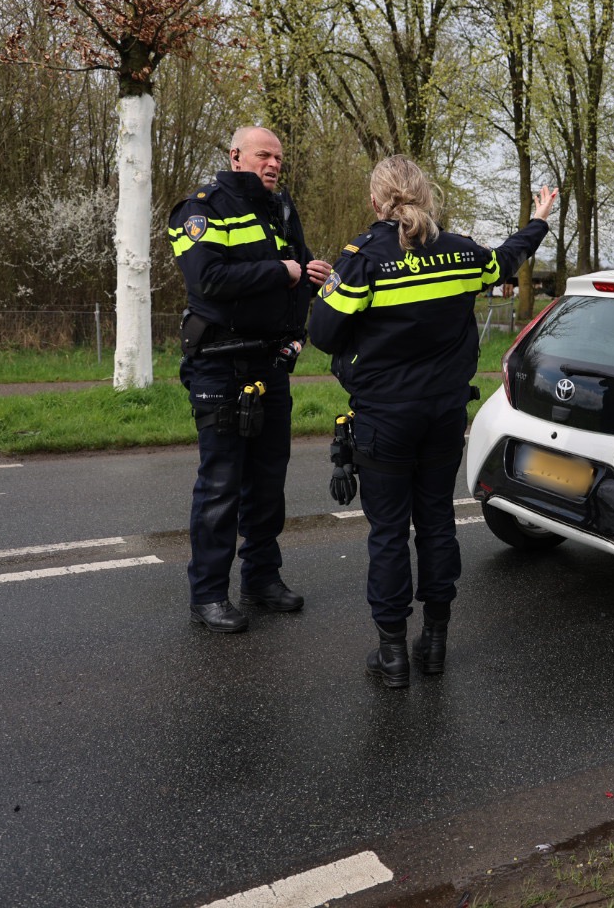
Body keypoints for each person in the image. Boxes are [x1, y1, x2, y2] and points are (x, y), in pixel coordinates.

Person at [309, 155, 555, 688]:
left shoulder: (363, 258)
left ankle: (393, 654)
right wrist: (538, 221)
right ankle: (436, 644)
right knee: (438, 523)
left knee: (389, 534)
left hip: (384, 419)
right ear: (425, 195)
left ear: (376, 200)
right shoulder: (461, 251)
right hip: (444, 415)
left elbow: (322, 333)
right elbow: (505, 260)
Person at [166, 126, 333, 633]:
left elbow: (299, 270)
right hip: (219, 364)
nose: (274, 164)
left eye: (278, 157)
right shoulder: (201, 209)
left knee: (268, 481)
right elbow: (207, 280)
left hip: (269, 363)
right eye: (264, 155)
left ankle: (261, 578)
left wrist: (302, 309)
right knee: (220, 485)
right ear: (235, 155)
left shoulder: (280, 208)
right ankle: (208, 595)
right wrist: (282, 272)